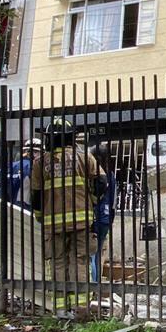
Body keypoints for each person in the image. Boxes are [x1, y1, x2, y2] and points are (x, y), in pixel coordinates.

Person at [31, 119, 105, 308]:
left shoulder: (40, 163)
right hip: (82, 221)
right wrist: (93, 202)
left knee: (57, 262)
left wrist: (40, 216)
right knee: (80, 260)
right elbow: (101, 182)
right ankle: (81, 307)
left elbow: (36, 195)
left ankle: (61, 307)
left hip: (53, 224)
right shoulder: (84, 157)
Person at [91, 140, 117, 281]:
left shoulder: (93, 175)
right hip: (106, 220)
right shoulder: (111, 175)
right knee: (97, 254)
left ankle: (92, 285)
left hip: (93, 218)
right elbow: (114, 200)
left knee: (89, 255)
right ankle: (96, 286)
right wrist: (111, 219)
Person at [2, 137, 44, 207]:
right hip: (26, 208)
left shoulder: (10, 166)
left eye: (36, 152)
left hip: (7, 208)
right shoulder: (37, 168)